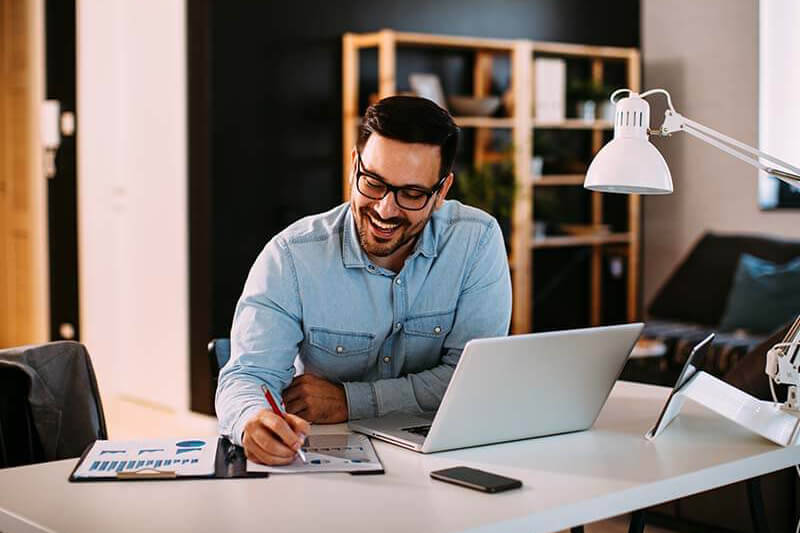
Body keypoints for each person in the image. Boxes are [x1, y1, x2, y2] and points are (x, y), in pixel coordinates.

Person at [216, 96, 512, 465]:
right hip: (327, 464)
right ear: (354, 165)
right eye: (373, 182)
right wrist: (251, 420)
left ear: (442, 191)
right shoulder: (291, 256)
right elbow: (247, 376)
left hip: (442, 457)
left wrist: (348, 401)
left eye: (412, 194)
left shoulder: (476, 241)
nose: (386, 209)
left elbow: (469, 379)